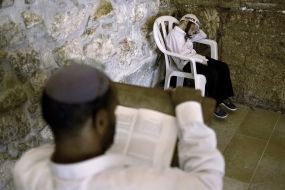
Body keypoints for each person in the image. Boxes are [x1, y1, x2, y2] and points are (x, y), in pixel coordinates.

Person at [13, 64, 225, 190]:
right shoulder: (134, 182)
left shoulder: (27, 167)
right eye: (115, 110)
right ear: (101, 121)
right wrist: (189, 111)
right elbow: (208, 182)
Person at [166, 14, 237, 119]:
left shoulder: (186, 33)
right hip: (186, 63)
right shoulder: (174, 35)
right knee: (212, 73)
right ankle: (214, 104)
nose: (194, 31)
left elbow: (203, 35)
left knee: (223, 66)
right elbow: (182, 56)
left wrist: (195, 29)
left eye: (195, 29)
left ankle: (223, 96)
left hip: (196, 58)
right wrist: (201, 60)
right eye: (193, 27)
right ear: (185, 22)